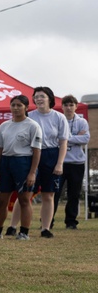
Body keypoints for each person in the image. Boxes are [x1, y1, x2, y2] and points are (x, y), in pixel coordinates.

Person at [5, 86, 69, 238]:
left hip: (50, 155)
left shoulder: (59, 117)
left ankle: (45, 228)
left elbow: (63, 143)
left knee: (48, 195)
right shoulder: (28, 116)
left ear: (50, 99)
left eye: (42, 96)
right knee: (24, 194)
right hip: (30, 155)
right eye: (36, 96)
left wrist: (59, 163)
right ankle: (12, 226)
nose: (39, 99)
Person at [0, 95, 42, 240]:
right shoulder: (4, 126)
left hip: (23, 163)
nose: (16, 108)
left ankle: (24, 232)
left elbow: (36, 151)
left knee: (24, 199)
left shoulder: (33, 126)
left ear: (26, 107)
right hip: (6, 163)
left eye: (19, 105)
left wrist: (32, 173)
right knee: (2, 201)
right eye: (13, 105)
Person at [52, 94, 89, 229]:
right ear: (62, 107)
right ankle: (48, 220)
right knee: (54, 192)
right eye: (66, 105)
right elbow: (54, 139)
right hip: (59, 162)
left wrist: (66, 138)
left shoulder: (82, 122)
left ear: (76, 106)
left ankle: (71, 222)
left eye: (71, 105)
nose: (68, 108)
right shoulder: (57, 120)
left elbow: (85, 139)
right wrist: (74, 137)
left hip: (76, 163)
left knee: (74, 193)